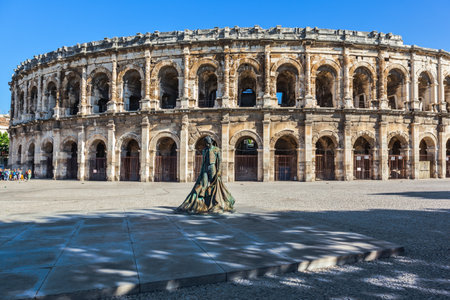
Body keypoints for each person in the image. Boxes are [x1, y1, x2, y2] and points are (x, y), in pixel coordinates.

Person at [177, 136, 235, 213]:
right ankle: (203, 200)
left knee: (213, 184)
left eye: (208, 143)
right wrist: (202, 170)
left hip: (212, 167)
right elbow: (203, 161)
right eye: (206, 143)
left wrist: (219, 171)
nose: (207, 144)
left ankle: (214, 201)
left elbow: (219, 161)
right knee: (203, 183)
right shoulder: (204, 150)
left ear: (211, 142)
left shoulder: (216, 150)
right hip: (205, 167)